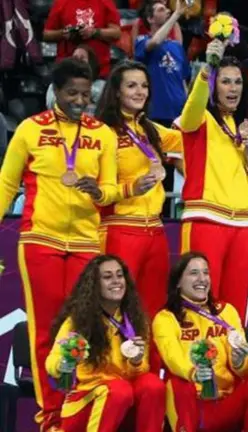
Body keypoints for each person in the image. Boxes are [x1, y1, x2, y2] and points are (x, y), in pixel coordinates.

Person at [0, 58, 119, 430]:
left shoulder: (103, 134)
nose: (80, 101)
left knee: (81, 326)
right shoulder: (29, 129)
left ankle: (77, 408)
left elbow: (112, 189)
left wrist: (99, 191)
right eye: (72, 93)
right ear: (55, 91)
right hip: (41, 239)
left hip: (85, 242)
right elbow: (6, 183)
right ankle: (50, 414)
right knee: (48, 330)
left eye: (86, 94)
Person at [177, 38, 248, 320]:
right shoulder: (200, 119)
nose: (233, 88)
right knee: (198, 301)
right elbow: (189, 112)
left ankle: (232, 363)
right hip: (205, 220)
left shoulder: (243, 127)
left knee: (235, 307)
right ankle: (197, 363)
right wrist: (206, 69)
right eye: (225, 82)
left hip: (240, 225)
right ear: (214, 86)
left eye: (238, 82)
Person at [95, 61, 183, 320]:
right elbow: (98, 189)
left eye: (144, 86)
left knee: (154, 310)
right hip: (120, 228)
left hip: (155, 231)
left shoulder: (150, 129)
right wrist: (131, 187)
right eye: (131, 86)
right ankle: (110, 361)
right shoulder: (103, 132)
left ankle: (150, 362)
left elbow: (189, 133)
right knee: (113, 307)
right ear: (117, 92)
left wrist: (206, 80)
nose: (140, 91)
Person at [153, 252, 248, 431]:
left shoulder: (226, 311)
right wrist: (194, 373)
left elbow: (246, 372)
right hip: (192, 402)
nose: (202, 279)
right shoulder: (165, 318)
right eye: (194, 273)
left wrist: (239, 361)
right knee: (177, 384)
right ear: (178, 282)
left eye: (206, 272)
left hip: (226, 401)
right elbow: (173, 358)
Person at [46, 255, 165, 431]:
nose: (116, 281)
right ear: (95, 284)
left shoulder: (136, 319)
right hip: (87, 403)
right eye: (108, 277)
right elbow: (51, 362)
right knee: (118, 390)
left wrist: (136, 361)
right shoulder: (78, 321)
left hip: (123, 400)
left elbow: (140, 370)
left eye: (119, 275)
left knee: (152, 385)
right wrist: (65, 363)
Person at [135, 0, 191, 127]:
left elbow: (183, 81)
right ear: (150, 19)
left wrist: (187, 109)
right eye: (161, 10)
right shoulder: (142, 41)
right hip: (155, 114)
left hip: (179, 115)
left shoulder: (177, 46)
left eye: (166, 9)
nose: (167, 11)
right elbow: (155, 42)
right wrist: (176, 15)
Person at [43, 0, 121, 78]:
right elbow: (46, 34)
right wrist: (63, 33)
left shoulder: (105, 2)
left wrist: (94, 32)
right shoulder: (61, 2)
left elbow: (116, 33)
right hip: (66, 71)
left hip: (98, 71)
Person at [45, 45, 105, 116]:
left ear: (91, 62)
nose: (77, 61)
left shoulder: (102, 85)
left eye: (82, 58)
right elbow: (52, 104)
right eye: (75, 58)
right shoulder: (54, 85)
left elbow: (105, 105)